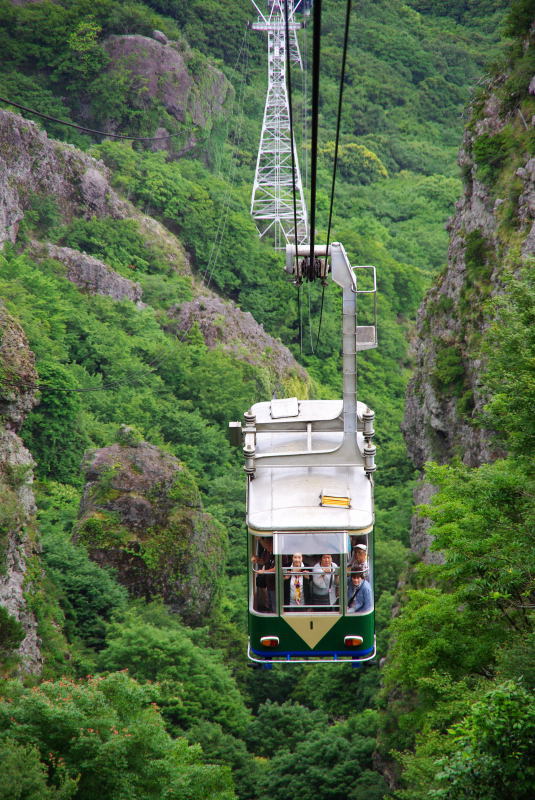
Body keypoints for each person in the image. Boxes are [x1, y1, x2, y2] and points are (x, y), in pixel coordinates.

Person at [251, 537, 276, 612]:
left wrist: (264, 571)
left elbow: (278, 568)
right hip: (269, 584)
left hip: (276, 585)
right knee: (270, 604)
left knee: (275, 606)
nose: (264, 545)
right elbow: (264, 561)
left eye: (266, 543)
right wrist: (257, 560)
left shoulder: (280, 554)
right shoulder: (267, 552)